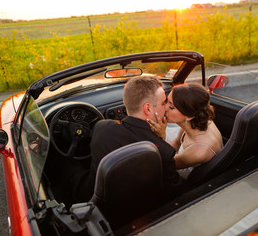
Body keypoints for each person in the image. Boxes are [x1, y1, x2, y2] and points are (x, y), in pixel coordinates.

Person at [67, 76, 184, 204]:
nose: (166, 107)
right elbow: (176, 194)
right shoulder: (164, 152)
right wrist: (161, 139)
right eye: (163, 103)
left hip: (93, 202)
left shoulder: (102, 128)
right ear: (148, 109)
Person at [148, 83, 223, 179]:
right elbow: (176, 143)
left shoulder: (199, 152)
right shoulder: (193, 122)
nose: (164, 108)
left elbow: (165, 164)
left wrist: (161, 137)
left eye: (171, 107)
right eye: (166, 101)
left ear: (189, 115)